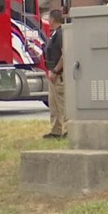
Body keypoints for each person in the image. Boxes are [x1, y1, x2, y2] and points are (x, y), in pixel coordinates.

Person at [44, 9, 67, 139]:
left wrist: (55, 71)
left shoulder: (61, 34)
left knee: (62, 105)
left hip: (59, 76)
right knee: (53, 105)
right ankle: (56, 131)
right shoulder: (54, 34)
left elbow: (65, 55)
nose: (48, 21)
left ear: (53, 19)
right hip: (52, 75)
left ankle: (67, 130)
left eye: (49, 19)